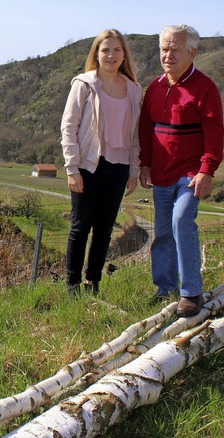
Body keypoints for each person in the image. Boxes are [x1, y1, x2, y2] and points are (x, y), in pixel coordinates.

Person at [138, 24, 224, 317]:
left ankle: (191, 293)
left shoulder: (205, 88)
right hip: (161, 173)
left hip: (190, 173)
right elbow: (146, 129)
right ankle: (165, 289)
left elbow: (214, 133)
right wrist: (145, 164)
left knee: (180, 221)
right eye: (164, 48)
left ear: (193, 52)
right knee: (162, 232)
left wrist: (207, 170)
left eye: (175, 49)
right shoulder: (155, 87)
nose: (168, 54)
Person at [61, 29, 143, 297]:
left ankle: (93, 283)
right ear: (96, 53)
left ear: (124, 55)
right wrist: (72, 168)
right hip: (88, 165)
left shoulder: (133, 90)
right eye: (105, 50)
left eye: (116, 50)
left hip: (118, 167)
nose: (111, 55)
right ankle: (72, 286)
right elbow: (68, 127)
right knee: (80, 226)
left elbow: (135, 134)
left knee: (105, 228)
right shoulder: (84, 84)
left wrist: (133, 168)